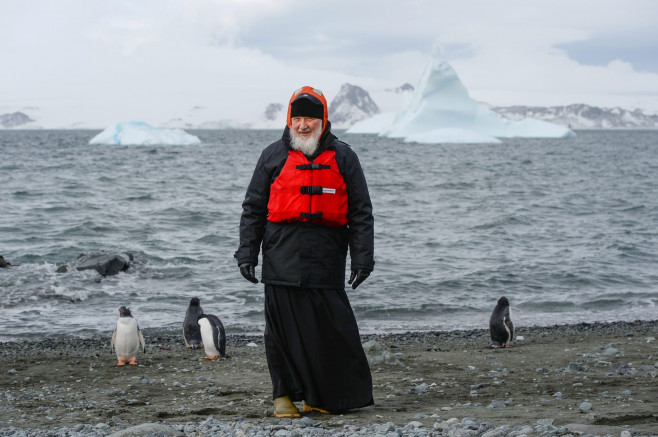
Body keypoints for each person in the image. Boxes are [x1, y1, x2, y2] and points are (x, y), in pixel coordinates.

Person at [234, 86, 375, 417]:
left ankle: (319, 396)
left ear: (323, 121)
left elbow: (361, 212)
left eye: (309, 118)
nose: (302, 125)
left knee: (330, 330)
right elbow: (253, 208)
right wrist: (246, 254)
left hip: (326, 257)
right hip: (281, 255)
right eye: (296, 118)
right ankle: (283, 398)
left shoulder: (344, 157)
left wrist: (363, 258)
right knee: (281, 331)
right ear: (288, 120)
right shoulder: (272, 155)